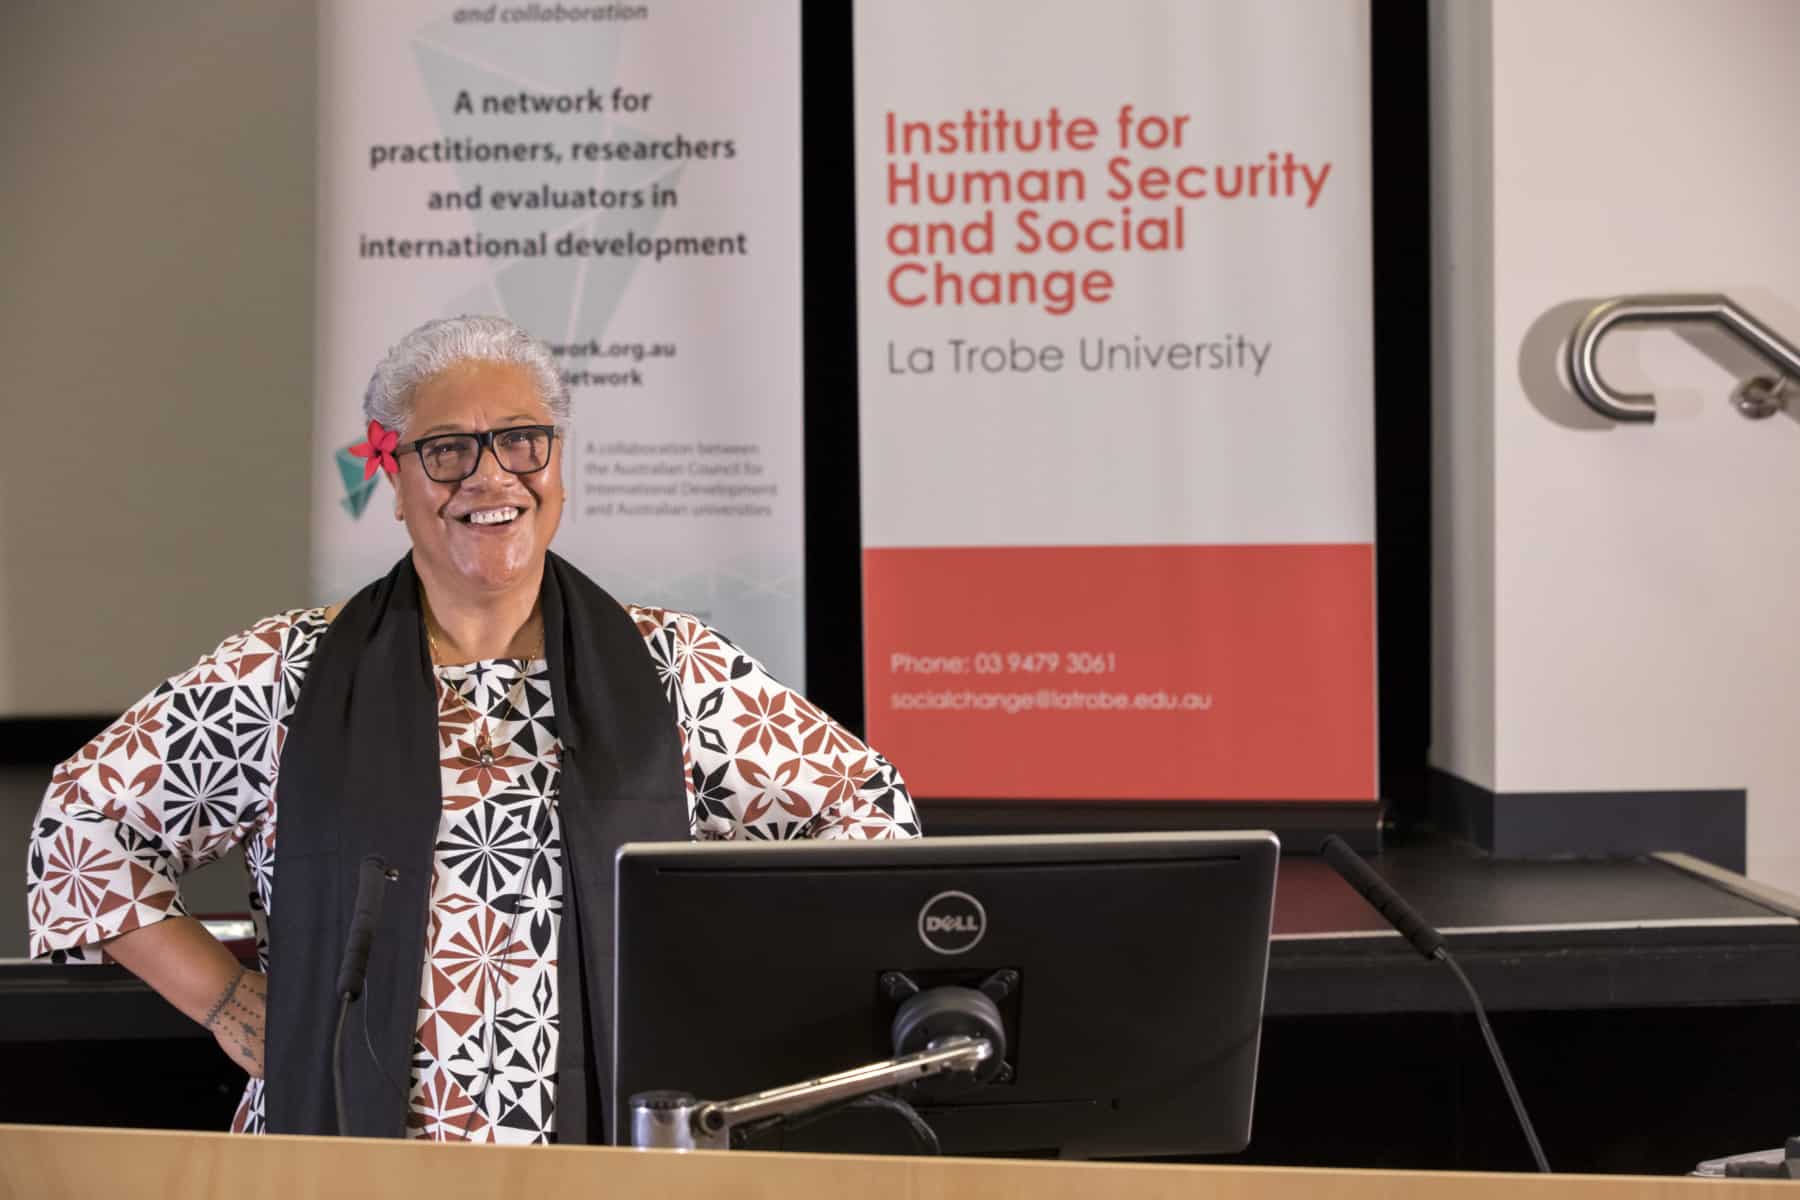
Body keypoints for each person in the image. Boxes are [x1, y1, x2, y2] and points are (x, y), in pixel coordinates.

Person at [25, 314, 919, 1144]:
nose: (491, 477)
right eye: (447, 449)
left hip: (622, 1156)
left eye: (521, 441)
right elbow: (82, 825)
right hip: (337, 1156)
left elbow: (868, 816)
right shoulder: (283, 672)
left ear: (556, 464)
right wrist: (223, 999)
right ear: (394, 475)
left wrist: (726, 985)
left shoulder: (672, 666)